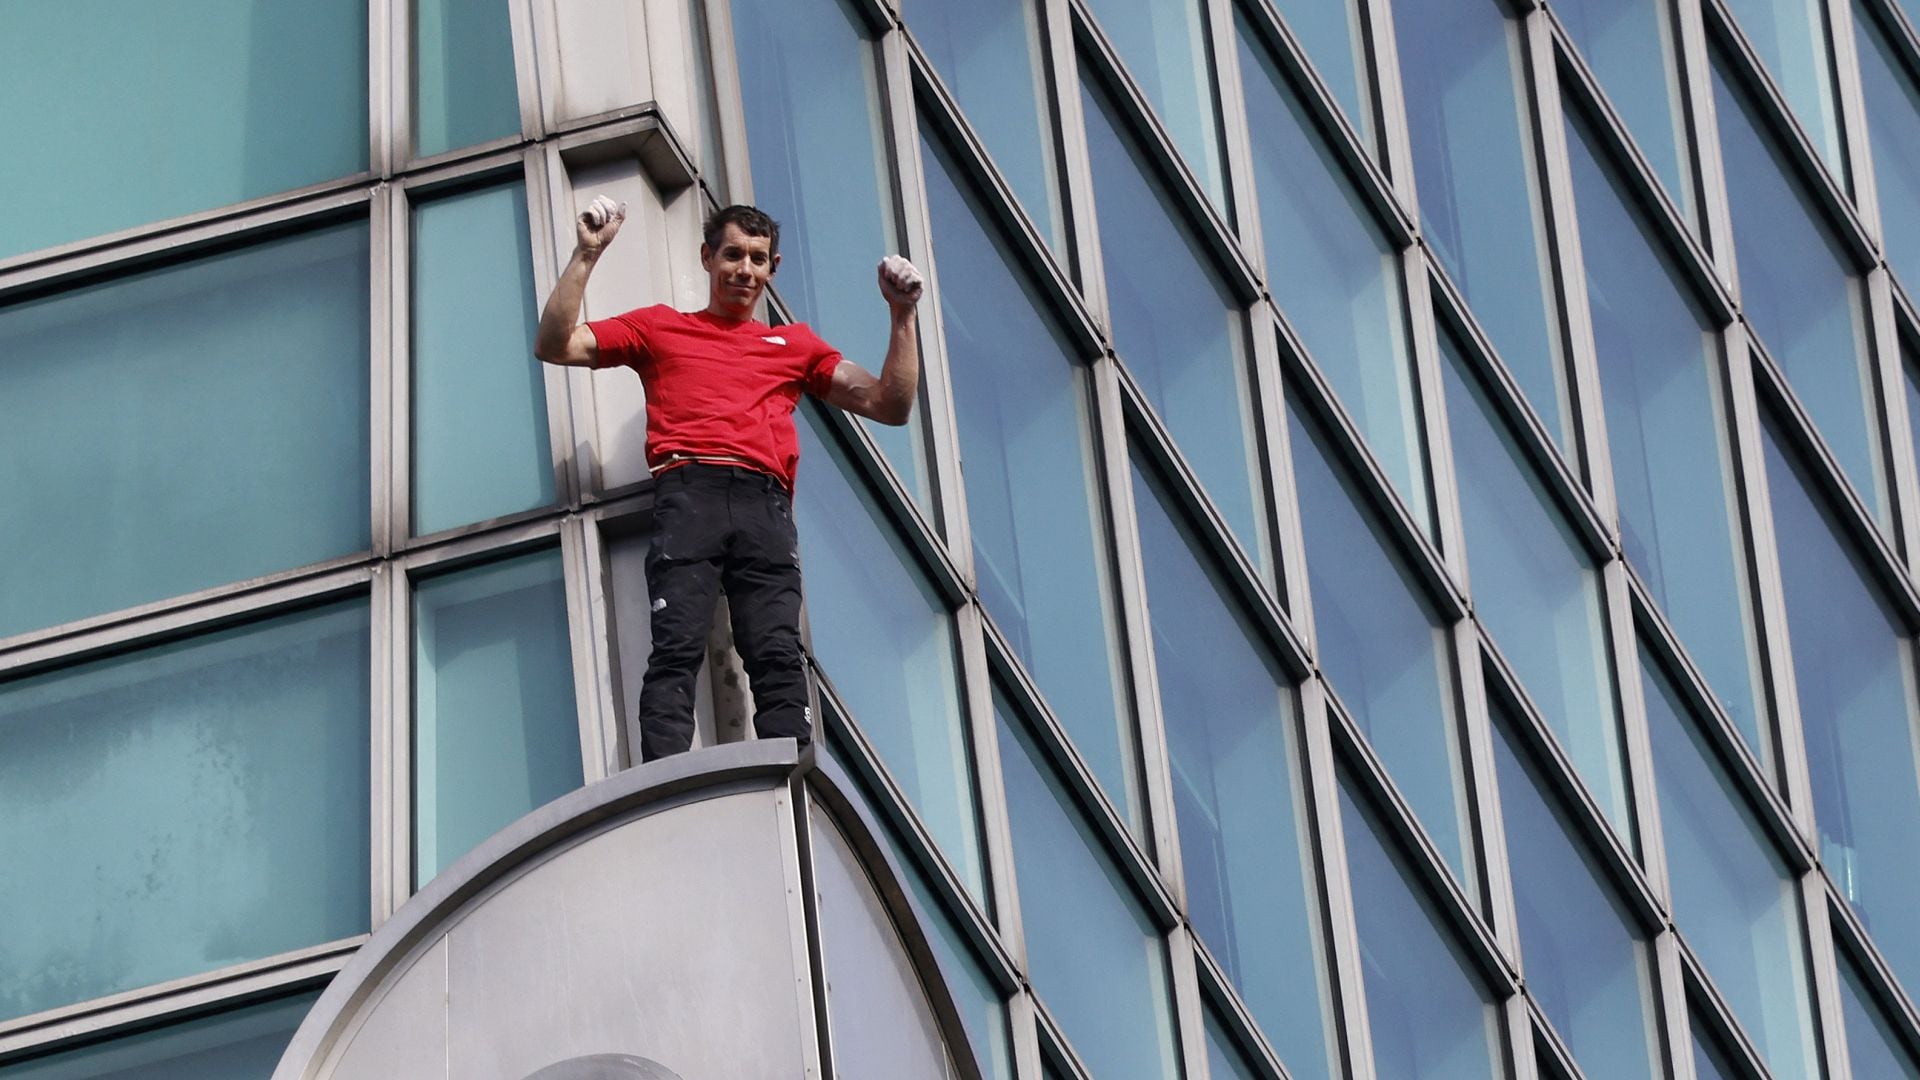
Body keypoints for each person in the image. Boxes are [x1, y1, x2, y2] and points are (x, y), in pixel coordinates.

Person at [534, 196, 924, 761]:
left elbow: (891, 405)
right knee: (676, 646)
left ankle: (792, 795)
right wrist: (586, 254)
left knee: (776, 653)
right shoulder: (661, 328)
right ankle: (666, 786)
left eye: (758, 259)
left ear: (773, 268)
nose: (745, 269)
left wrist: (902, 313)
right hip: (690, 493)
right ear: (707, 258)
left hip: (764, 504)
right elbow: (555, 345)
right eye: (734, 255)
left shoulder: (794, 346)